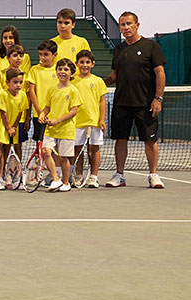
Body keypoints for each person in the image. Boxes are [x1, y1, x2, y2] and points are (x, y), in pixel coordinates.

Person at [104, 11, 166, 188]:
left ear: (137, 25)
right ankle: (120, 175)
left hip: (145, 104)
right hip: (122, 103)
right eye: (122, 25)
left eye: (129, 24)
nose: (126, 28)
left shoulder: (151, 46)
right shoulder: (118, 49)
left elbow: (160, 72)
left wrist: (158, 98)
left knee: (150, 140)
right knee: (120, 139)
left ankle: (153, 174)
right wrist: (97, 82)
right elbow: (115, 75)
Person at [39, 59, 82, 192]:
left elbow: (74, 111)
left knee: (64, 158)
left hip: (66, 129)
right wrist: (42, 114)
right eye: (60, 69)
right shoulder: (51, 89)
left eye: (66, 69)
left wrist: (58, 120)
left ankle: (65, 183)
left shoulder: (73, 91)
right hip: (51, 129)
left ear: (72, 73)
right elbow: (47, 107)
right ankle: (56, 179)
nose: (62, 72)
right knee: (46, 151)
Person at [72, 50, 107, 188]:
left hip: (94, 122)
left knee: (94, 149)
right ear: (76, 64)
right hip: (77, 122)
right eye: (81, 62)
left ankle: (93, 177)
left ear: (93, 64)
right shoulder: (72, 80)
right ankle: (79, 175)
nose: (84, 65)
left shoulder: (98, 81)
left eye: (87, 62)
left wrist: (102, 119)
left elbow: (102, 101)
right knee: (77, 149)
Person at [0, 68, 29, 191]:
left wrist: (14, 127)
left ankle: (15, 177)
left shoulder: (23, 94)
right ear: (7, 82)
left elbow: (20, 112)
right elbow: (3, 112)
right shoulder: (3, 94)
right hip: (2, 127)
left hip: (13, 127)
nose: (18, 85)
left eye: (20, 82)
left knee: (12, 149)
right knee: (0, 152)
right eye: (15, 82)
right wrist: (8, 127)